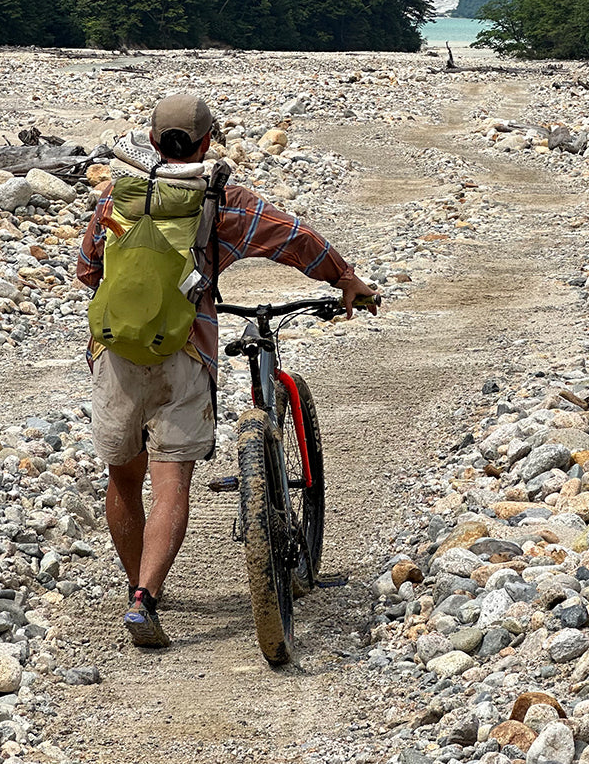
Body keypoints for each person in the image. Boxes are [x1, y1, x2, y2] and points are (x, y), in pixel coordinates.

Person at [76, 94, 377, 648]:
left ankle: (136, 591)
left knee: (123, 478)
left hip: (115, 353)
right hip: (186, 353)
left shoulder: (116, 197)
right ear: (207, 141)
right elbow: (294, 239)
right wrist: (344, 279)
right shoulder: (223, 199)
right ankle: (145, 600)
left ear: (149, 140)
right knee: (171, 484)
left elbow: (87, 271)